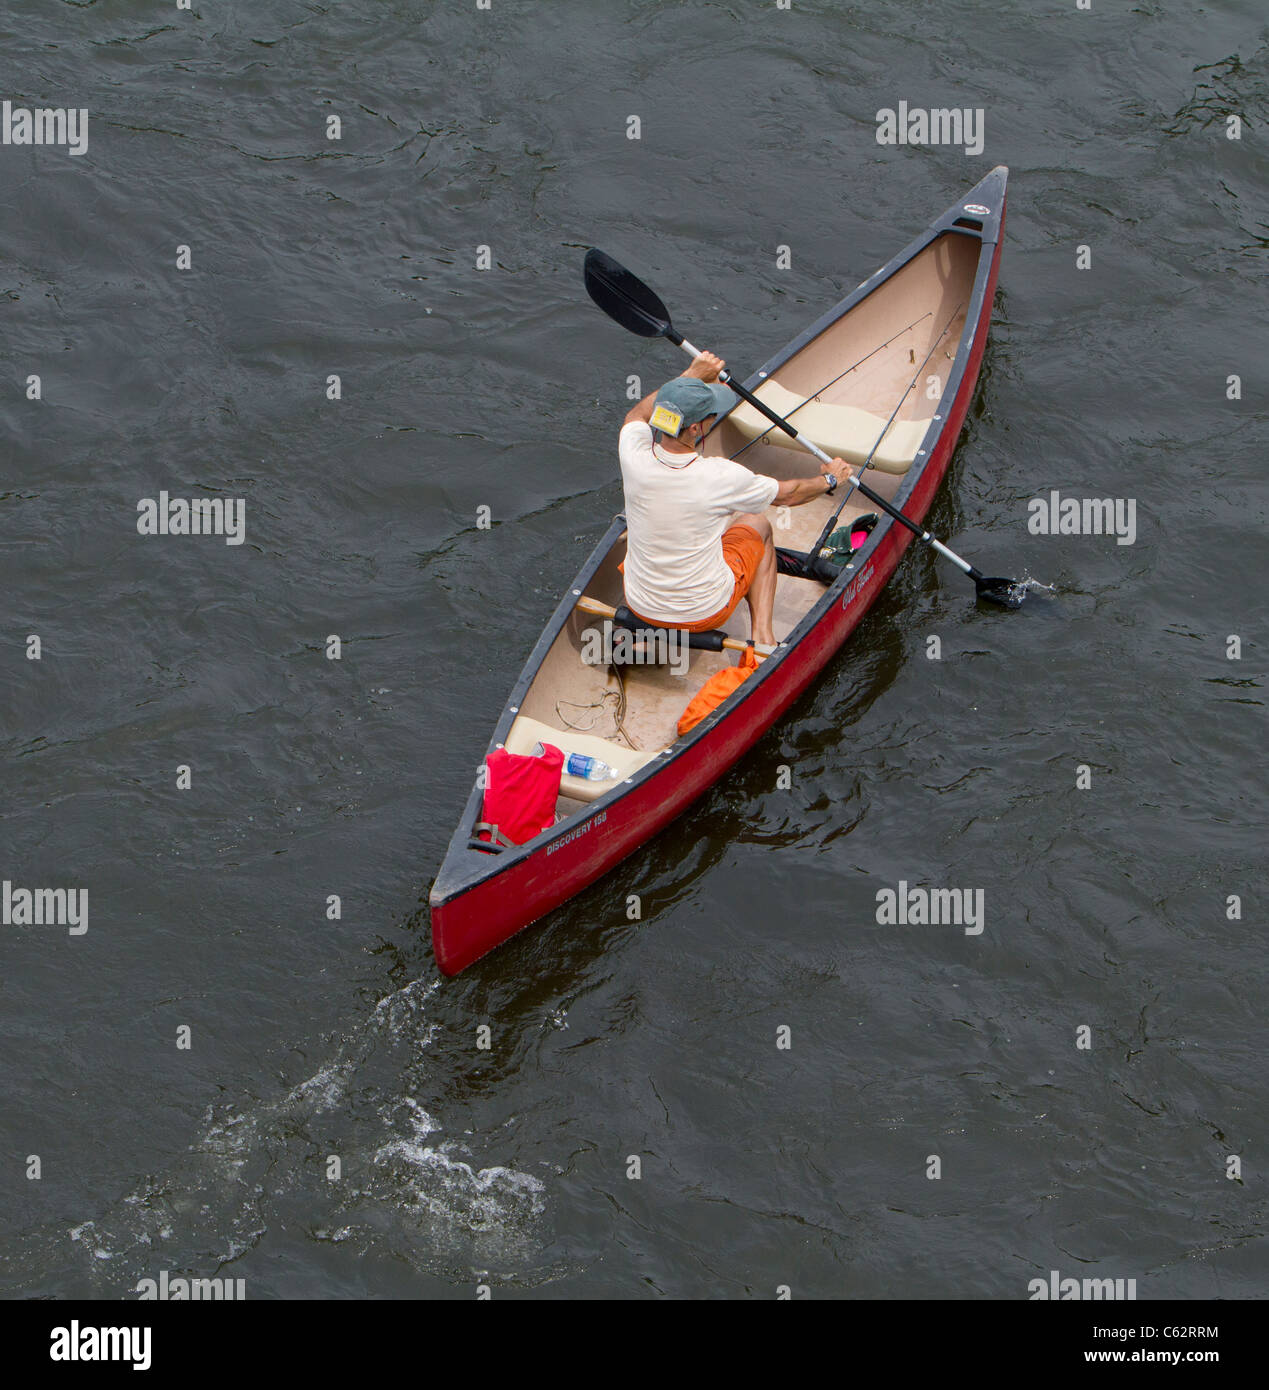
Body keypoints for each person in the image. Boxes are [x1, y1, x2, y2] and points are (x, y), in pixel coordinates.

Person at [618, 351, 855, 647]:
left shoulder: (633, 454)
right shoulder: (721, 475)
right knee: (758, 523)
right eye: (711, 414)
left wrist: (690, 375)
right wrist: (830, 478)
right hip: (703, 614)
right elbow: (788, 496)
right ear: (695, 428)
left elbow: (636, 414)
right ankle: (763, 638)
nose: (714, 416)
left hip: (639, 603)